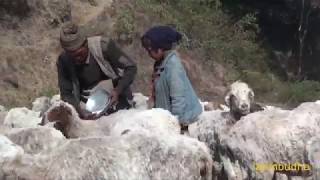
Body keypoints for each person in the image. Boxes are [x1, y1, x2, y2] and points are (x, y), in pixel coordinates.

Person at [57, 22, 137, 120]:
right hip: (87, 104)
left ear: (86, 44)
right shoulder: (64, 61)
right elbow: (66, 94)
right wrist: (80, 111)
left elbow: (131, 67)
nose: (77, 59)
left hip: (114, 96)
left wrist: (118, 90)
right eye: (72, 56)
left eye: (79, 54)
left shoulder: (103, 46)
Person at [141, 26, 202, 134]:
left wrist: (176, 124)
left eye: (149, 50)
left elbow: (178, 99)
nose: (148, 54)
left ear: (160, 48)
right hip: (169, 119)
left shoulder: (173, 66)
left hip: (186, 121)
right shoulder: (160, 64)